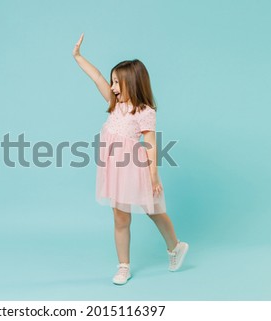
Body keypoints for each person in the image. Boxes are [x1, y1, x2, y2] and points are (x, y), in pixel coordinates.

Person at [72, 33, 188, 285]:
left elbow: (150, 145)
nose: (112, 87)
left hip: (134, 167)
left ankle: (175, 246)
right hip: (114, 168)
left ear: (132, 83)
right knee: (120, 216)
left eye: (117, 82)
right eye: (112, 82)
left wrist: (154, 176)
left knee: (154, 210)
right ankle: (123, 265)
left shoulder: (145, 112)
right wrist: (79, 57)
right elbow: (96, 77)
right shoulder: (115, 103)